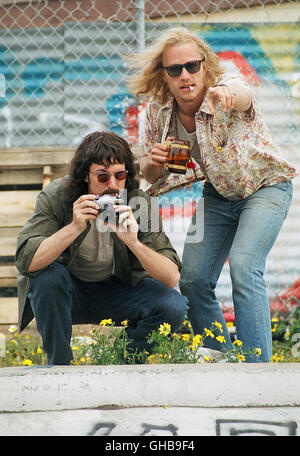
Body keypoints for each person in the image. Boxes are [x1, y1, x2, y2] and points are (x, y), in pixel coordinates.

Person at [127, 27, 297, 362]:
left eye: (193, 66)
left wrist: (232, 94)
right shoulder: (159, 114)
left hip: (265, 188)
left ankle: (256, 369)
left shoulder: (224, 92)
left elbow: (243, 92)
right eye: (175, 69)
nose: (185, 75)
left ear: (206, 66)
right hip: (219, 196)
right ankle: (223, 359)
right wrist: (153, 160)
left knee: (245, 268)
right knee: (192, 279)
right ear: (164, 75)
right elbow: (149, 174)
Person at [15, 131, 187, 365]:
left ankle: (121, 363)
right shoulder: (58, 196)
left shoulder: (138, 203)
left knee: (174, 306)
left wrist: (133, 242)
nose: (113, 185)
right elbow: (27, 261)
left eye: (120, 175)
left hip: (117, 293)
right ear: (86, 176)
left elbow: (171, 277)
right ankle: (60, 368)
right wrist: (74, 227)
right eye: (103, 176)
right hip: (68, 293)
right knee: (46, 277)